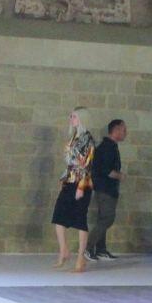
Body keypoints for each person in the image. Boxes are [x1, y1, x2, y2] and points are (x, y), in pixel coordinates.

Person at [50, 107, 95, 272]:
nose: (71, 119)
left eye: (74, 116)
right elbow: (70, 162)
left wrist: (81, 187)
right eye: (71, 116)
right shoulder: (74, 137)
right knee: (58, 216)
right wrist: (64, 179)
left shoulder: (88, 139)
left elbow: (87, 165)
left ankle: (80, 259)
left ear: (82, 119)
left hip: (82, 183)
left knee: (80, 219)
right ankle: (64, 251)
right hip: (69, 180)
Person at [87, 118, 126, 260]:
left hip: (106, 189)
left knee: (103, 219)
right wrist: (120, 176)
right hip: (105, 189)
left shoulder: (110, 146)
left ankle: (101, 249)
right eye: (123, 130)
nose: (125, 133)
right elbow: (105, 170)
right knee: (107, 219)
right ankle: (87, 247)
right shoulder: (107, 147)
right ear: (116, 130)